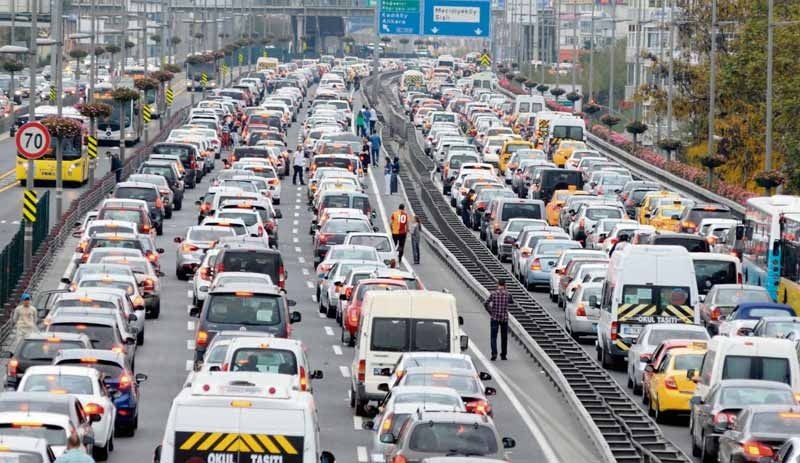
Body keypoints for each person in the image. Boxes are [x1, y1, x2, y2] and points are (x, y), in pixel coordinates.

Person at [484, 279, 512, 361]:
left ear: (498, 284)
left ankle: (494, 353)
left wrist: (491, 312)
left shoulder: (493, 294)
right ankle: (503, 355)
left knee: (493, 337)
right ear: (505, 285)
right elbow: (511, 302)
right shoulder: (508, 294)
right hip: (504, 318)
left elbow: (485, 303)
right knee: (504, 337)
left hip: (494, 318)